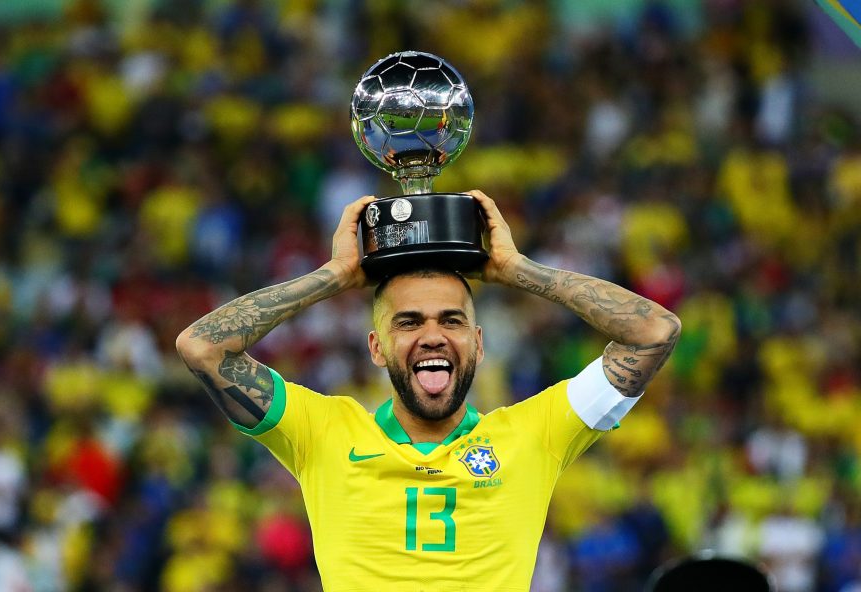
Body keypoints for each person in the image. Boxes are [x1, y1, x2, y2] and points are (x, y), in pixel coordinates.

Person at [175, 190, 681, 591]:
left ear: (478, 345)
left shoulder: (534, 434)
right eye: (409, 322)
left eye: (452, 320)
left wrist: (517, 270)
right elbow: (202, 346)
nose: (433, 335)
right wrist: (333, 276)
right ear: (376, 347)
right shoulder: (323, 432)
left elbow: (655, 330)